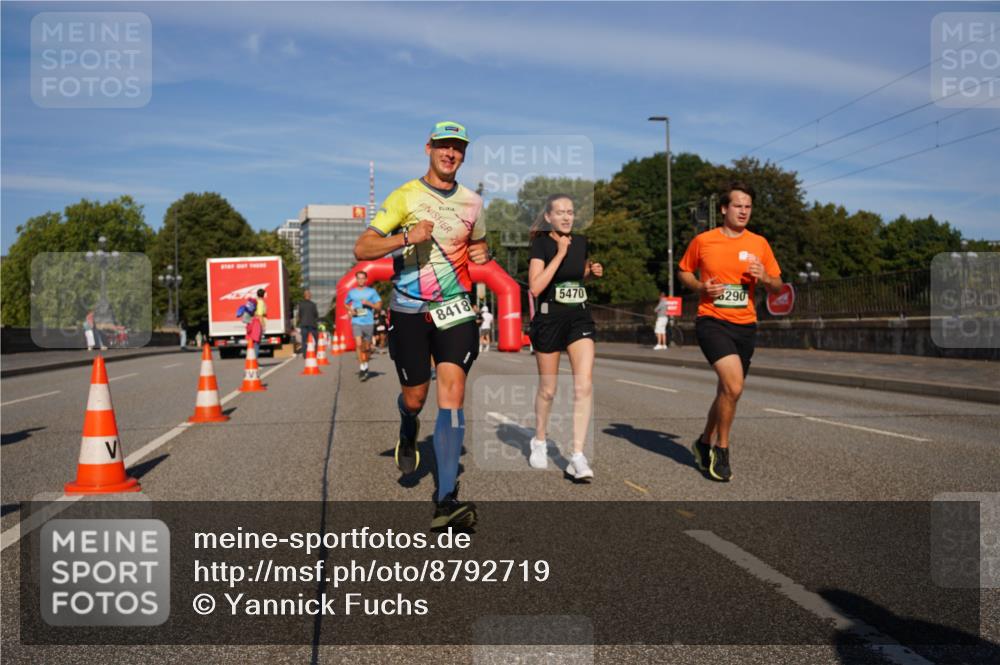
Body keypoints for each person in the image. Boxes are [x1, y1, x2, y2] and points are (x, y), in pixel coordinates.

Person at [353, 120, 488, 531]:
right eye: (444, 145)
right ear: (428, 147)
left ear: (463, 154)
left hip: (455, 309)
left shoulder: (473, 202)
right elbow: (363, 248)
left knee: (453, 394)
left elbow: (478, 242)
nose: (451, 153)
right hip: (409, 311)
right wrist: (405, 238)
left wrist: (481, 253)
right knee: (415, 398)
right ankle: (408, 425)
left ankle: (446, 499)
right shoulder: (405, 195)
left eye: (458, 148)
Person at [678, 182, 782, 482]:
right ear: (724, 209)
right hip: (712, 321)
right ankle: (721, 449)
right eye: (738, 206)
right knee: (734, 387)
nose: (744, 211)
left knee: (728, 391)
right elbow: (684, 271)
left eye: (748, 206)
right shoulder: (704, 240)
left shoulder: (759, 243)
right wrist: (701, 286)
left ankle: (703, 442)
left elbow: (777, 285)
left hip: (745, 325)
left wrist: (765, 278)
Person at [526, 194, 603, 481]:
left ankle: (577, 456)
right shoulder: (541, 244)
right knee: (549, 390)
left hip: (579, 318)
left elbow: (575, 277)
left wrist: (590, 273)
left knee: (584, 385)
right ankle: (539, 440)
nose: (567, 217)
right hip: (549, 320)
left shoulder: (581, 242)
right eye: (560, 212)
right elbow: (535, 288)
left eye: (570, 212)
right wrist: (559, 253)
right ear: (548, 217)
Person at [345, 271, 382, 380]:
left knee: (367, 347)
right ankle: (362, 367)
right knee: (358, 344)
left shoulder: (372, 292)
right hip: (356, 321)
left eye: (362, 278)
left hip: (369, 322)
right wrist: (351, 310)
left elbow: (379, 306)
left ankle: (365, 364)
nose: (360, 280)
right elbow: (346, 303)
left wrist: (369, 303)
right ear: (356, 279)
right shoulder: (352, 292)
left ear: (366, 280)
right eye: (359, 278)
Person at [297, 290, 319, 355]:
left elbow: (299, 315)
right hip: (312, 325)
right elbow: (316, 315)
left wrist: (301, 321)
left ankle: (305, 354)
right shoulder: (313, 304)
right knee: (316, 339)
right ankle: (316, 352)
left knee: (304, 340)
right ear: (310, 296)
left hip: (303, 324)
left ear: (304, 296)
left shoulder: (300, 304)